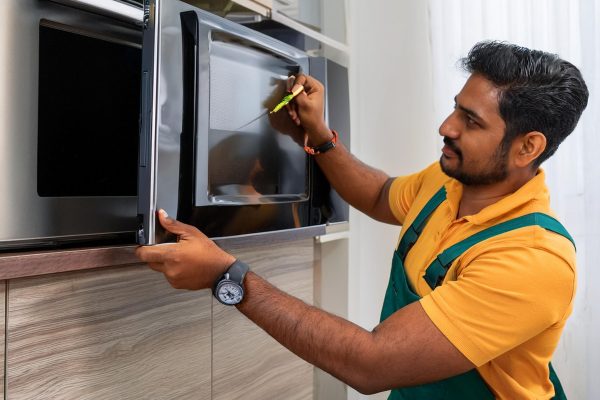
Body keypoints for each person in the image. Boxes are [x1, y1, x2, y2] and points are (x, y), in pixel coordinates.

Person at [136, 41, 589, 399]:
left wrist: (226, 275)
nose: (446, 127)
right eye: (455, 107)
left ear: (528, 147)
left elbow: (372, 364)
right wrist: (319, 136)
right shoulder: (451, 182)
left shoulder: (532, 259)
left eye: (470, 121)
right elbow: (378, 194)